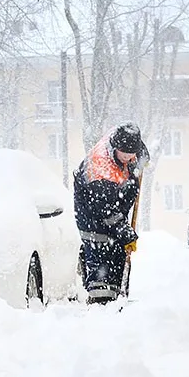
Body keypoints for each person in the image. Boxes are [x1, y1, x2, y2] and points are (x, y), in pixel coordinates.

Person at [73, 123, 148, 305]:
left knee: (118, 253)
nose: (129, 158)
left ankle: (118, 298)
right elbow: (107, 212)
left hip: (114, 210)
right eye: (125, 155)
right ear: (115, 148)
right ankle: (101, 303)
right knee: (101, 264)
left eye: (132, 154)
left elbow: (140, 152)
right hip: (93, 217)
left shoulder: (123, 141)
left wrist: (141, 159)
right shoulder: (101, 170)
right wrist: (126, 232)